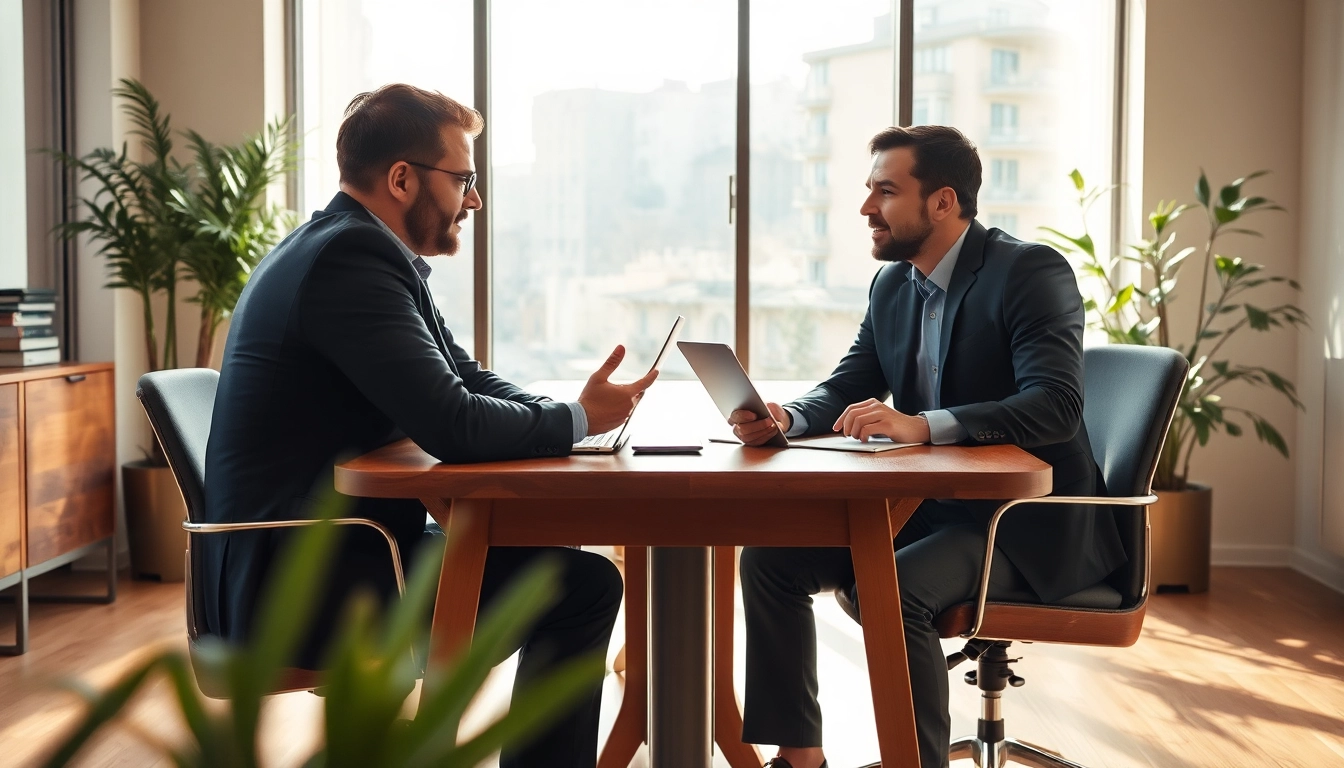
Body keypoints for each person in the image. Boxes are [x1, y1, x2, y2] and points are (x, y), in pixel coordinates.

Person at [203, 83, 655, 767]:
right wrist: (573, 420)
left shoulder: (356, 249)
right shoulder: (349, 263)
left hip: (325, 552)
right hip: (305, 584)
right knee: (582, 588)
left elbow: (468, 381)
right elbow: (455, 424)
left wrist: (572, 417)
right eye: (464, 178)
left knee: (570, 577)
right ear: (403, 178)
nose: (474, 199)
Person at [728, 125, 1126, 768]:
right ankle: (799, 758)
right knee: (772, 560)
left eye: (885, 191)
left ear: (943, 202)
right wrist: (789, 419)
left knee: (894, 587)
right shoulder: (893, 286)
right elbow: (847, 388)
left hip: (1023, 524)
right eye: (869, 190)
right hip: (925, 508)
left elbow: (1057, 405)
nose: (866, 208)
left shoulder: (1028, 272)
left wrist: (926, 423)